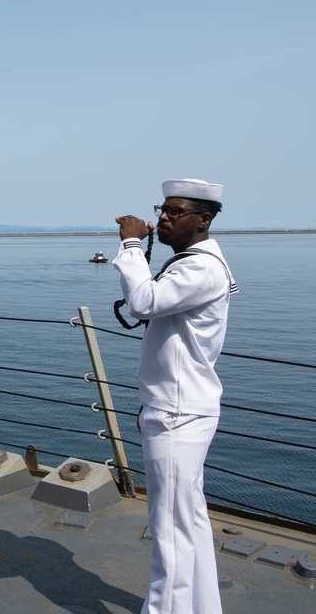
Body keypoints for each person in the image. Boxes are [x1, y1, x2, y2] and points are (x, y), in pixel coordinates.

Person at [114, 179, 236, 614]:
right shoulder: (198, 261)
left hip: (176, 414)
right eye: (161, 209)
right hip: (181, 408)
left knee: (170, 529)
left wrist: (131, 244)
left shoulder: (198, 267)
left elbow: (143, 302)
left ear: (202, 220)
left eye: (175, 211)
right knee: (188, 523)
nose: (163, 218)